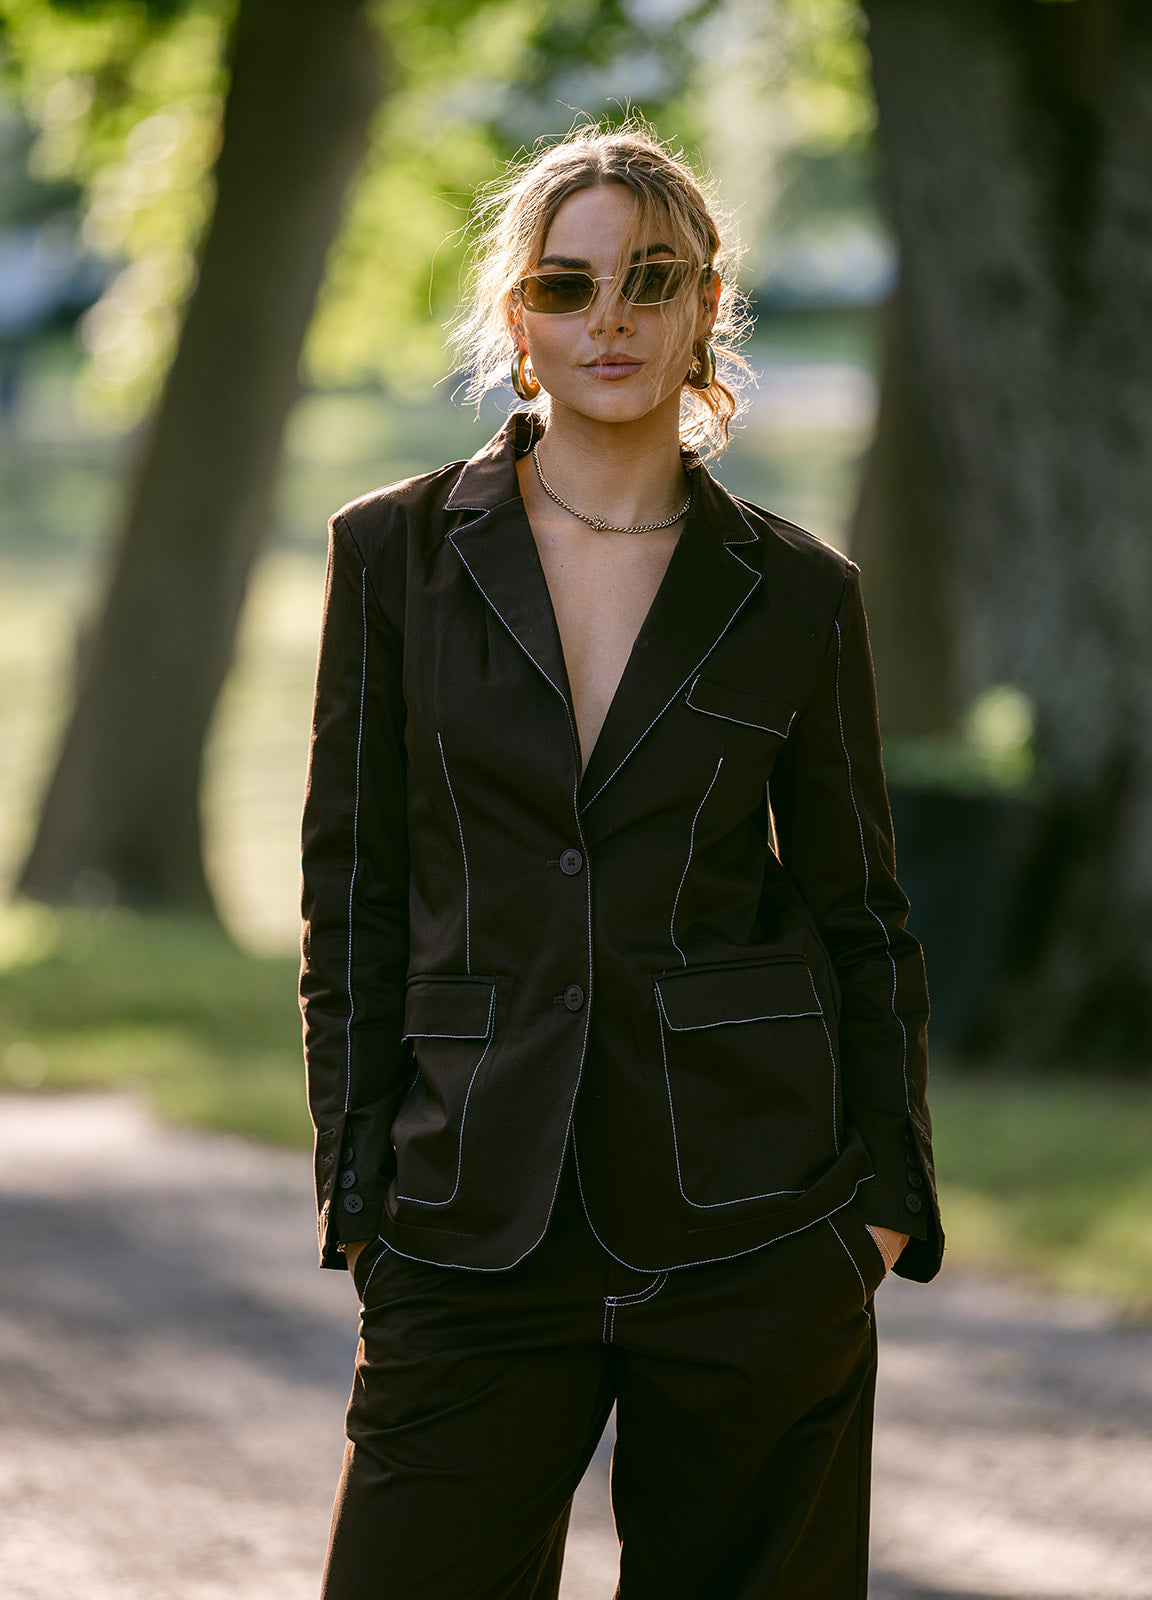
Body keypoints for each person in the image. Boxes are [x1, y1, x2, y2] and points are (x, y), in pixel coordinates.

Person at [300, 120, 942, 1600]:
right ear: (518, 319)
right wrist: (361, 1191)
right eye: (570, 286)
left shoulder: (795, 591)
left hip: (755, 1222)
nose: (613, 320)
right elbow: (356, 895)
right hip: (469, 1218)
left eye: (651, 281)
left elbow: (863, 914)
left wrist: (884, 1206)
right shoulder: (392, 557)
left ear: (708, 305)